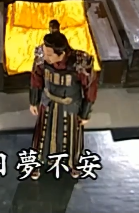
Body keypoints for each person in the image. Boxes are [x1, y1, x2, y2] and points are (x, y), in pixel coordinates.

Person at [29, 20, 99, 180]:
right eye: (45, 52)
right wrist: (34, 101)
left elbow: (90, 87)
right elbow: (36, 78)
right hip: (48, 103)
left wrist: (85, 113)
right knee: (42, 137)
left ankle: (73, 163)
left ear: (61, 54)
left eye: (49, 55)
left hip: (71, 106)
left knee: (71, 137)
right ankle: (37, 163)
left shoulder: (80, 63)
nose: (45, 56)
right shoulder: (42, 57)